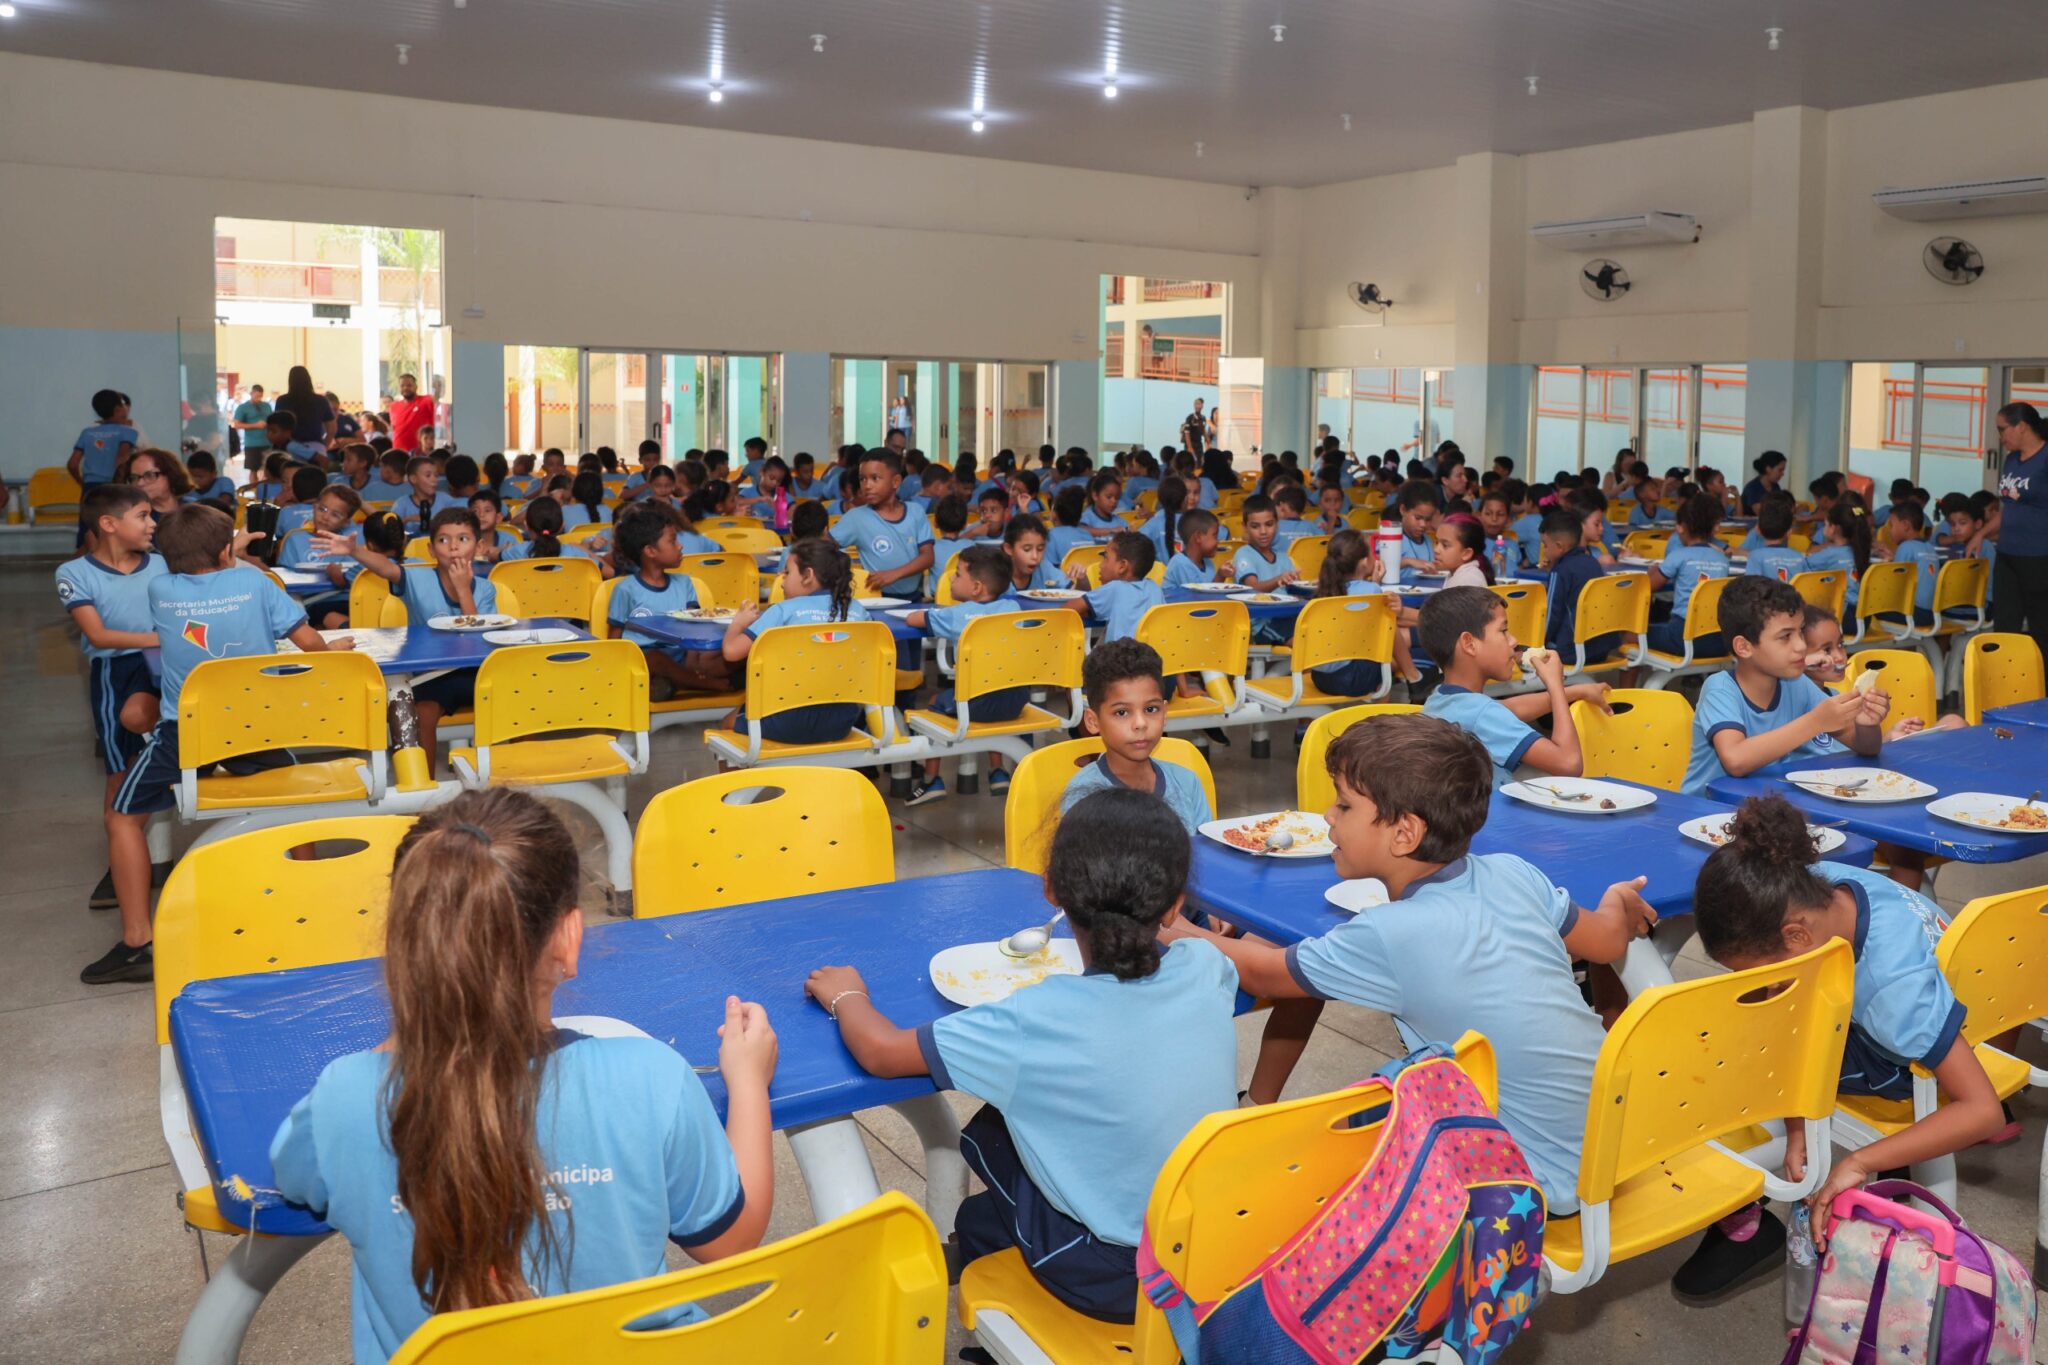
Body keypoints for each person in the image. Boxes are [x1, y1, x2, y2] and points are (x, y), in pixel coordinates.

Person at [270, 790, 777, 1359]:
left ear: (406, 945)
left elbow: (292, 1177)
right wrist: (749, 1081)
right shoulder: (653, 1078)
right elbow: (733, 1243)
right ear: (568, 939)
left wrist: (412, 1030)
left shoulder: (345, 1100)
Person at [1161, 712, 1655, 1216]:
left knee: (1314, 1161)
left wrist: (1169, 929)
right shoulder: (1513, 873)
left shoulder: (1391, 933)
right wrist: (1616, 899)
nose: (1328, 816)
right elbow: (1608, 942)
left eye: (1344, 805)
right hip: (1620, 1140)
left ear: (1404, 834)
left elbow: (1267, 974)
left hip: (1537, 1180)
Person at [806, 784, 1236, 1322]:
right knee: (1011, 1155)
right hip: (1214, 1244)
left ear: (1051, 889)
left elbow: (882, 1052)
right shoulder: (1205, 967)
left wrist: (847, 994)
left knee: (989, 1165)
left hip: (1121, 1278)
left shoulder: (1033, 1020)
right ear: (1176, 904)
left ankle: (1012, 1323)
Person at [1670, 793, 2005, 1299]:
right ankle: (1748, 1210)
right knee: (1748, 1021)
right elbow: (1782, 1001)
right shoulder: (1831, 887)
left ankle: (1741, 1224)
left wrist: (1859, 1161)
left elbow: (1983, 1112)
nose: (1753, 981)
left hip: (1909, 1058)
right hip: (1934, 1007)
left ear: (1797, 937)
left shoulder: (1893, 994)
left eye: (1752, 969)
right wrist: (1796, 1120)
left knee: (1728, 1060)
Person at [95, 504, 343, 982]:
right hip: (259, 725)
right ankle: (309, 911)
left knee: (122, 816)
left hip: (188, 732)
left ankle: (137, 941)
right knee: (297, 803)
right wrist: (338, 649)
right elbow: (312, 645)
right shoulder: (254, 581)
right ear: (228, 549)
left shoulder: (160, 587)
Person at [57, 484, 166, 914]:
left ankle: (152, 792)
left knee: (141, 718)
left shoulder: (160, 563)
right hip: (114, 671)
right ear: (108, 524)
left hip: (162, 665)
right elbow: (98, 635)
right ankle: (118, 856)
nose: (152, 523)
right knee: (117, 768)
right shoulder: (74, 573)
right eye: (142, 515)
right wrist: (162, 636)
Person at [318, 508, 498, 765]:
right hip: (431, 673)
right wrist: (354, 550)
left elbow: (476, 642)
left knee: (518, 695)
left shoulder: (486, 589)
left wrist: (463, 590)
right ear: (431, 549)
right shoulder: (417, 578)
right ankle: (423, 788)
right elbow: (386, 569)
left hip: (476, 672)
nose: (453, 547)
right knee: (421, 714)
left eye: (463, 539)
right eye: (443, 540)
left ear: (479, 545)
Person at [1679, 575, 1885, 796]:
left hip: (1765, 808)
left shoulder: (1796, 684)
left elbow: (1866, 747)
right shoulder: (1720, 689)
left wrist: (1867, 724)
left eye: (1800, 632)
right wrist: (1816, 721)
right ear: (1744, 647)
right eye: (1785, 636)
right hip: (1709, 811)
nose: (1800, 646)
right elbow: (1736, 760)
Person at [1418, 586, 1606, 787]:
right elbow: (1569, 763)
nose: (1514, 640)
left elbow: (1509, 708)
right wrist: (1555, 685)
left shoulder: (1441, 698)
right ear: (1469, 644)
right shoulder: (1483, 714)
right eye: (1503, 631)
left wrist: (1577, 691)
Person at [904, 546, 1030, 805]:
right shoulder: (1013, 607)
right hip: (1016, 701)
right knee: (995, 686)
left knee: (936, 701)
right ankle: (998, 772)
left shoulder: (955, 615)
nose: (951, 578)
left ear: (976, 587)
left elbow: (913, 619)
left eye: (958, 574)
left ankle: (931, 780)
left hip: (977, 706)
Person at [719, 538, 872, 745]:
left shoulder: (783, 611)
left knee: (726, 723)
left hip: (785, 720)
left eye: (788, 572)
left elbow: (731, 652)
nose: (781, 579)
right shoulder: (857, 610)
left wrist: (738, 623)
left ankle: (747, 779)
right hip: (841, 721)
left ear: (808, 576)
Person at [605, 505, 743, 695]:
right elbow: (615, 636)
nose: (680, 545)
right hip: (647, 659)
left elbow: (693, 627)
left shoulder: (684, 583)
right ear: (650, 551)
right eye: (672, 541)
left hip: (682, 655)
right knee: (653, 659)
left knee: (733, 650)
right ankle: (707, 683)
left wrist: (695, 661)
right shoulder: (625, 590)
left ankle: (678, 681)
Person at [830, 450, 934, 599]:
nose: (867, 486)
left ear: (895, 482)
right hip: (874, 597)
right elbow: (823, 547)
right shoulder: (856, 517)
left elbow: (928, 557)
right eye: (862, 479)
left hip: (914, 597)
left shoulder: (915, 512)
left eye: (875, 478)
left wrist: (894, 574)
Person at [1645, 493, 1732, 656]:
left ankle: (1630, 683)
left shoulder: (1678, 555)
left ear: (1681, 527)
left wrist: (1652, 572)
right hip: (1717, 639)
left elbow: (1648, 588)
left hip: (1683, 636)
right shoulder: (1722, 559)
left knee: (1632, 633)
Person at [1535, 508, 1622, 666]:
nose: (1544, 551)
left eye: (1545, 545)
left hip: (1571, 652)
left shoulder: (1560, 572)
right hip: (1601, 649)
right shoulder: (1592, 562)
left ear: (1560, 546)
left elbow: (1551, 616)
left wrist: (1537, 644)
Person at [68, 388, 139, 546]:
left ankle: (79, 567)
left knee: (87, 531)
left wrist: (82, 483)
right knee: (114, 532)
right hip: (114, 489)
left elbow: (72, 464)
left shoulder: (87, 433)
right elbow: (121, 460)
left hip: (90, 488)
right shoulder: (128, 432)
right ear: (118, 409)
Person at [1066, 531, 1163, 640]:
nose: (1100, 565)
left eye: (1105, 558)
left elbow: (1067, 610)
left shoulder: (1115, 589)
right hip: (1151, 655)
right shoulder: (1155, 588)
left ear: (1122, 566)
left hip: (1117, 656)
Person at [1884, 503, 1942, 627]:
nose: (1889, 530)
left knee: (1873, 610)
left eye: (1892, 525)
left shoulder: (1905, 547)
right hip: (1931, 613)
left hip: (1912, 613)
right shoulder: (1929, 548)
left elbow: (1895, 583)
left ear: (1905, 526)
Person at [273, 365, 337, 458]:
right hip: (315, 447)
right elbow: (332, 428)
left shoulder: (283, 400)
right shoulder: (320, 400)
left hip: (290, 447)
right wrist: (324, 445)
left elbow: (277, 426)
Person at [1746, 493, 1809, 582]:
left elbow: (1751, 587)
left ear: (1759, 530)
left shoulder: (1755, 556)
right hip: (1793, 595)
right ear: (1789, 532)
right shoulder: (1799, 557)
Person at [393, 456, 461, 537]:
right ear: (413, 479)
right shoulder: (402, 503)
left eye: (436, 476)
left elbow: (458, 523)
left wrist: (429, 522)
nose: (434, 480)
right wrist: (407, 519)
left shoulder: (445, 500)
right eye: (428, 475)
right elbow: (392, 530)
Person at [1160, 509, 1221, 590]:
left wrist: (1221, 576)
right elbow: (1200, 597)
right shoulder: (1180, 563)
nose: (1218, 541)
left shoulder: (1208, 563)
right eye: (1214, 536)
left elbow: (1210, 596)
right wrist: (1220, 576)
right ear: (1198, 537)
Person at [1002, 513, 1062, 594]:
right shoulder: (997, 575)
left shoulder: (1043, 567)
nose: (1035, 556)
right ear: (1009, 549)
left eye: (1040, 549)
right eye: (1027, 549)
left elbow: (1073, 591)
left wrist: (1081, 579)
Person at [1392, 481, 1441, 574]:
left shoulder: (1428, 539)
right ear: (1403, 510)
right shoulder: (1392, 539)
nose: (1423, 524)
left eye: (1428, 519)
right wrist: (1408, 561)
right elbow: (1379, 564)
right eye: (1418, 518)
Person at [1046, 485, 1094, 574]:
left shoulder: (1050, 536)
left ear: (1054, 515)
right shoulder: (1088, 535)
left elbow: (1049, 571)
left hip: (1065, 585)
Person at [229, 384, 274, 477]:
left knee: (268, 470)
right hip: (252, 443)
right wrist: (255, 425)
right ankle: (254, 490)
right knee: (253, 470)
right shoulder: (243, 408)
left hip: (267, 442)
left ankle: (264, 489)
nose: (258, 399)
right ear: (251, 393)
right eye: (256, 396)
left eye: (260, 396)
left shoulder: (266, 406)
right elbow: (236, 424)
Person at [387, 373, 437, 456]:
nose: (405, 388)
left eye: (409, 385)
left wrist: (436, 387)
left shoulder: (425, 400)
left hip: (420, 452)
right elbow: (394, 427)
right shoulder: (393, 406)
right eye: (402, 386)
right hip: (398, 452)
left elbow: (436, 398)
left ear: (416, 387)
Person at [1739, 450, 1787, 516]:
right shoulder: (1752, 488)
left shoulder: (1775, 487)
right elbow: (1760, 513)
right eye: (1780, 470)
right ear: (1768, 469)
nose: (1782, 474)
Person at [1079, 472, 1124, 540]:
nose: (1114, 501)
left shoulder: (1119, 520)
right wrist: (1111, 530)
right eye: (1109, 497)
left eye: (1117, 498)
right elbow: (1081, 530)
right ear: (1095, 496)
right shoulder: (1087, 516)